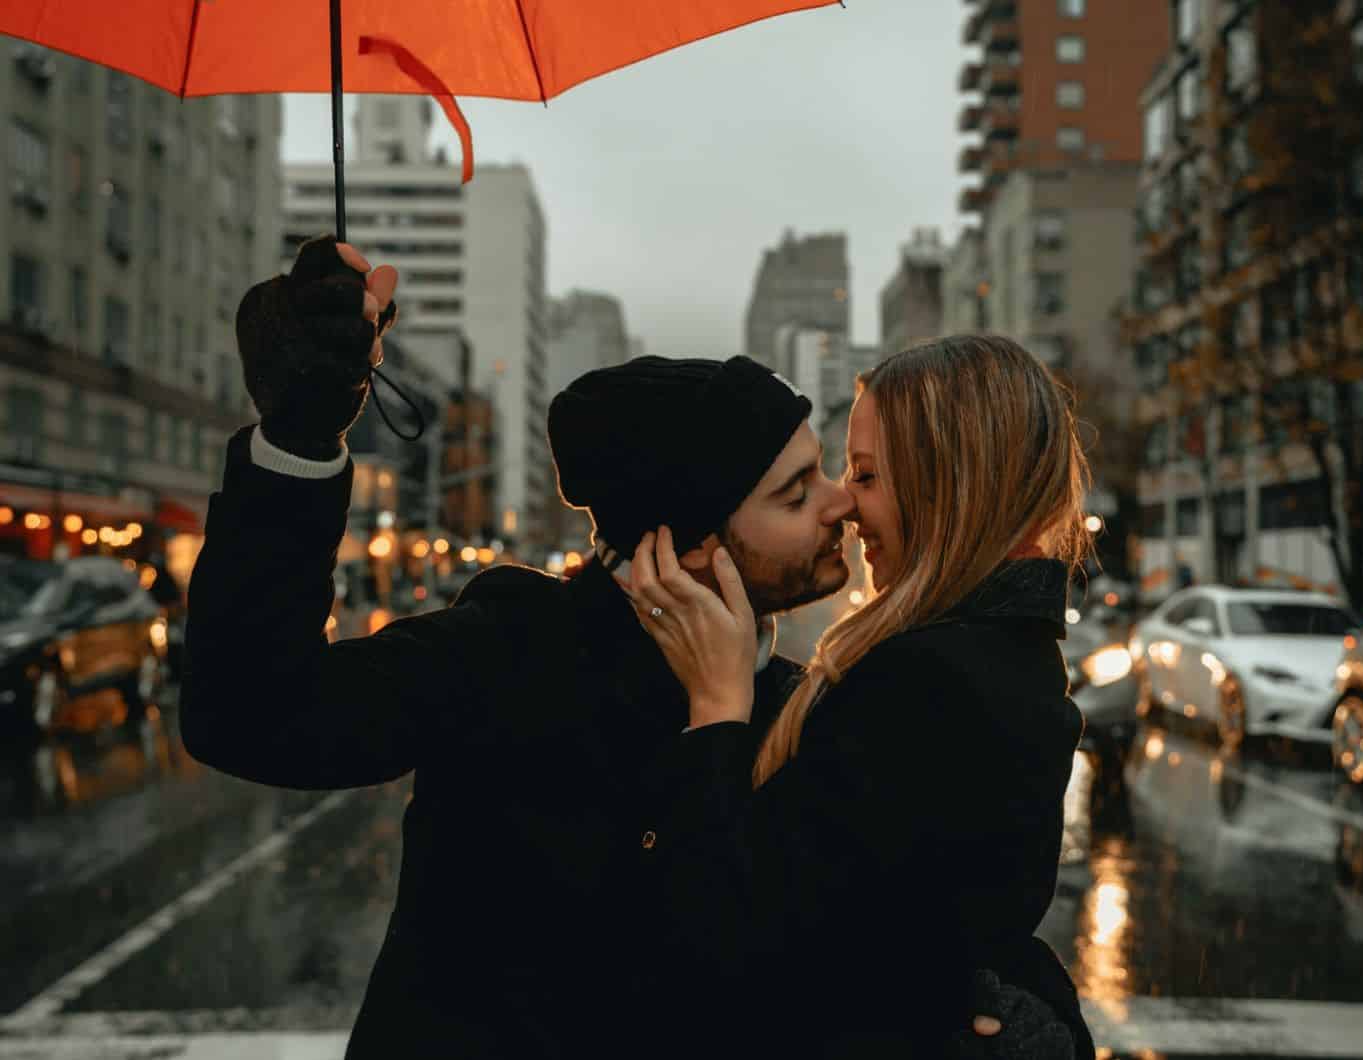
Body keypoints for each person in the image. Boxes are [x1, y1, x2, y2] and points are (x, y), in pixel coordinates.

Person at [181, 238, 1079, 1057]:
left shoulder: (802, 702)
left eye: (842, 474)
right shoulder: (519, 652)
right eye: (798, 490)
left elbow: (905, 911)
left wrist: (1030, 1002)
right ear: (692, 546)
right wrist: (298, 442)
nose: (841, 504)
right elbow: (254, 714)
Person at [625, 335, 1098, 1059]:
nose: (844, 502)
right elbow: (951, 930)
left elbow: (726, 938)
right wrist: (1038, 1003)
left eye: (868, 476)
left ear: (951, 488)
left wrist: (717, 711)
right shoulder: (1004, 657)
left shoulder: (930, 681)